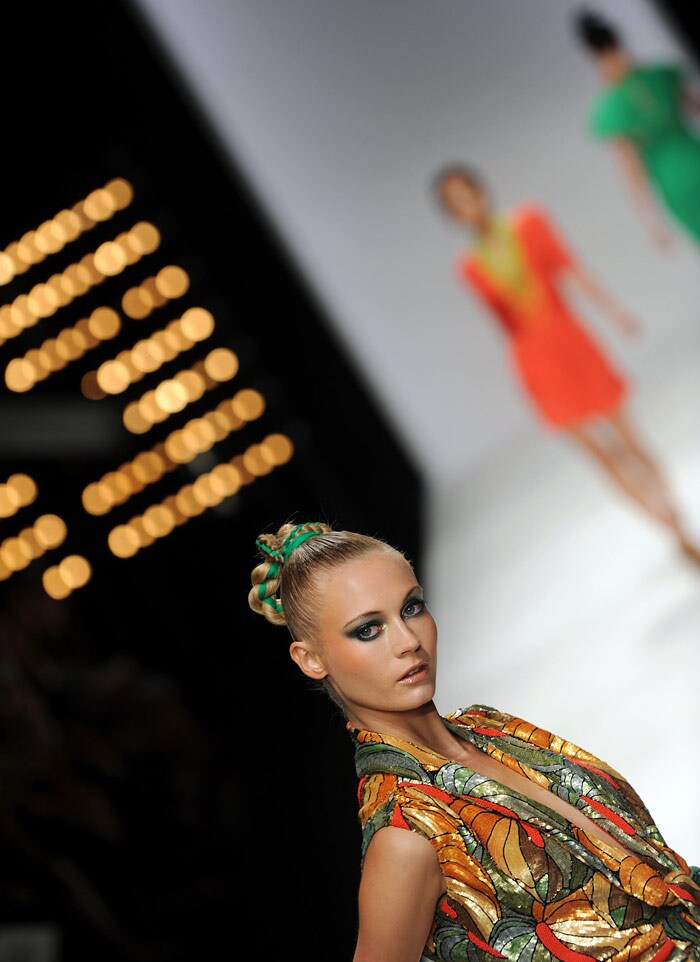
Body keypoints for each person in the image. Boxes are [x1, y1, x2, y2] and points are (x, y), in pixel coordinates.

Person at [248, 520, 700, 962]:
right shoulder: (406, 831)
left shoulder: (490, 729)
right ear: (310, 659)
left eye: (411, 608)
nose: (408, 641)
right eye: (368, 629)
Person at [433, 163, 700, 566]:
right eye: (456, 204)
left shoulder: (530, 221)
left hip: (571, 341)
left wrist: (615, 312)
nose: (468, 206)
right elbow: (503, 323)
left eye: (468, 193)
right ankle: (671, 531)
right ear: (451, 216)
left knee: (631, 441)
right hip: (534, 360)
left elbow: (572, 269)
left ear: (482, 189)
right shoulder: (469, 267)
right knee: (604, 456)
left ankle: (678, 516)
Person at [573, 7, 700, 250]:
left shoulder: (615, 105)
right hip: (683, 165)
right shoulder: (657, 79)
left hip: (678, 175)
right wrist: (650, 219)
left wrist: (649, 219)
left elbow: (630, 169)